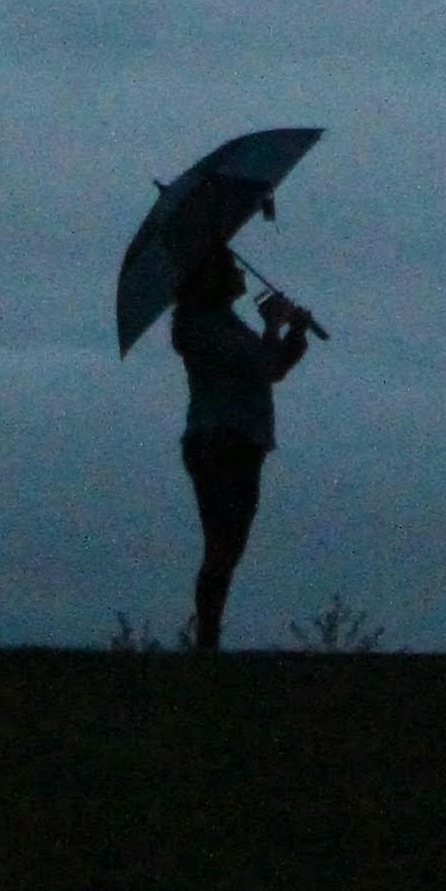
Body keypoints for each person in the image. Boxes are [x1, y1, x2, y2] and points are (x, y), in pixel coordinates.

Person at [171, 252, 310, 649]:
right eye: (228, 266)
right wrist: (272, 326)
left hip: (241, 442)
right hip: (221, 442)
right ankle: (207, 638)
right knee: (223, 543)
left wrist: (294, 332)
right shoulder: (202, 326)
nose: (238, 271)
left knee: (228, 545)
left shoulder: (224, 324)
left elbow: (273, 368)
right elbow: (263, 366)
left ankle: (208, 637)